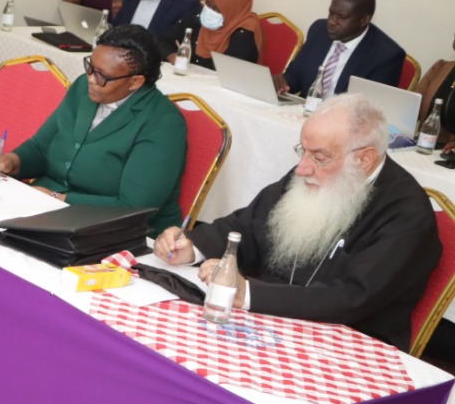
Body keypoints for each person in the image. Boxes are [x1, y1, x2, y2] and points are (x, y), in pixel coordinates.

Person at [154, 94, 438, 351]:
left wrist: (248, 292)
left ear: (364, 159)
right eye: (303, 151)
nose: (302, 168)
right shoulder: (314, 173)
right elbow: (250, 225)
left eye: (319, 157)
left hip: (347, 347)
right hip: (272, 324)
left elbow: (353, 296)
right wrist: (194, 246)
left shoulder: (406, 212)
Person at [0, 23, 186, 234]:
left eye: (102, 75)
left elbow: (134, 207)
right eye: (90, 67)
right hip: (46, 207)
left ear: (135, 82)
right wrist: (13, 161)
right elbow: (42, 147)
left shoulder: (163, 122)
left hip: (112, 230)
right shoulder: (82, 88)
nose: (90, 79)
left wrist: (58, 198)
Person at [283, 0, 408, 98]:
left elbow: (369, 108)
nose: (332, 21)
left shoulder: (386, 56)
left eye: (341, 17)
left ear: (364, 20)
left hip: (344, 116)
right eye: (331, 13)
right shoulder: (319, 30)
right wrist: (281, 84)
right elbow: (295, 77)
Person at [186, 0, 263, 71]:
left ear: (232, 10)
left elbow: (230, 70)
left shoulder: (245, 33)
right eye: (207, 4)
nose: (209, 11)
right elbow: (171, 40)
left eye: (216, 9)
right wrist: (173, 55)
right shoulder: (207, 21)